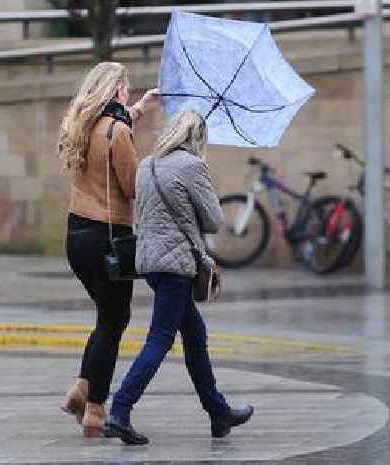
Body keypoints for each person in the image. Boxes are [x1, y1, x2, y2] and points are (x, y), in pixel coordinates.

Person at [104, 110, 254, 445]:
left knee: (195, 336)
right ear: (197, 137)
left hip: (151, 262)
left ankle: (219, 414)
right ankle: (120, 410)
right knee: (159, 339)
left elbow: (142, 214)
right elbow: (215, 220)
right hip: (177, 267)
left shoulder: (147, 165)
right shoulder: (192, 166)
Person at [57, 61, 158, 438]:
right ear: (117, 90)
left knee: (106, 318)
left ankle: (81, 390)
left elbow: (114, 127)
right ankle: (95, 409)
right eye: (127, 89)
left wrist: (141, 109)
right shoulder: (117, 133)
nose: (128, 95)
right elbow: (131, 186)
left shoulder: (84, 125)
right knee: (115, 322)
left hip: (76, 236)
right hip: (108, 239)